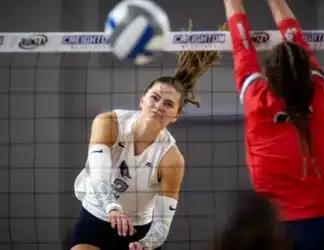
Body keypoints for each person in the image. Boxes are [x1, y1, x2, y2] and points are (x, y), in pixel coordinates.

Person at [70, 35, 223, 250]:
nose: (159, 106)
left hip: (138, 228)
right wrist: (112, 207)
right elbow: (99, 173)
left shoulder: (171, 159)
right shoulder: (109, 123)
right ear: (142, 100)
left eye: (168, 104)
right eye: (155, 97)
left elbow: (162, 222)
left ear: (176, 116)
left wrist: (146, 243)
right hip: (96, 214)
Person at [222, 0, 324, 249]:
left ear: (269, 78)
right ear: (306, 71)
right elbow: (294, 36)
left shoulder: (257, 99)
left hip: (276, 230)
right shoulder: (321, 91)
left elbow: (242, 47)